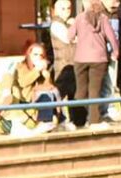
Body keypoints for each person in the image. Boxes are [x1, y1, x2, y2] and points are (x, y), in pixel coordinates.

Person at [70, 2, 119, 129]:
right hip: (99, 59)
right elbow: (112, 37)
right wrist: (116, 51)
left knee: (80, 90)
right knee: (94, 91)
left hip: (80, 58)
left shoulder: (79, 18)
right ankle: (94, 121)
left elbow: (69, 36)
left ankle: (78, 120)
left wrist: (77, 40)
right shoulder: (103, 18)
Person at [50, 0, 86, 129]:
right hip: (64, 66)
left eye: (68, 8)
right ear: (55, 10)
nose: (66, 11)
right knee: (59, 94)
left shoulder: (69, 23)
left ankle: (78, 122)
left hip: (75, 64)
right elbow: (68, 38)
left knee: (76, 95)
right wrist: (75, 28)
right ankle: (53, 119)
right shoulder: (56, 24)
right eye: (62, 8)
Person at [12, 43, 59, 128]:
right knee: (45, 96)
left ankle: (58, 121)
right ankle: (46, 123)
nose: (38, 57)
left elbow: (49, 88)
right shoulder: (21, 66)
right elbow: (23, 83)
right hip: (25, 97)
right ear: (29, 54)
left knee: (52, 94)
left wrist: (47, 78)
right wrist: (36, 70)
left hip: (39, 96)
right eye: (35, 54)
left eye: (41, 55)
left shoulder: (44, 69)